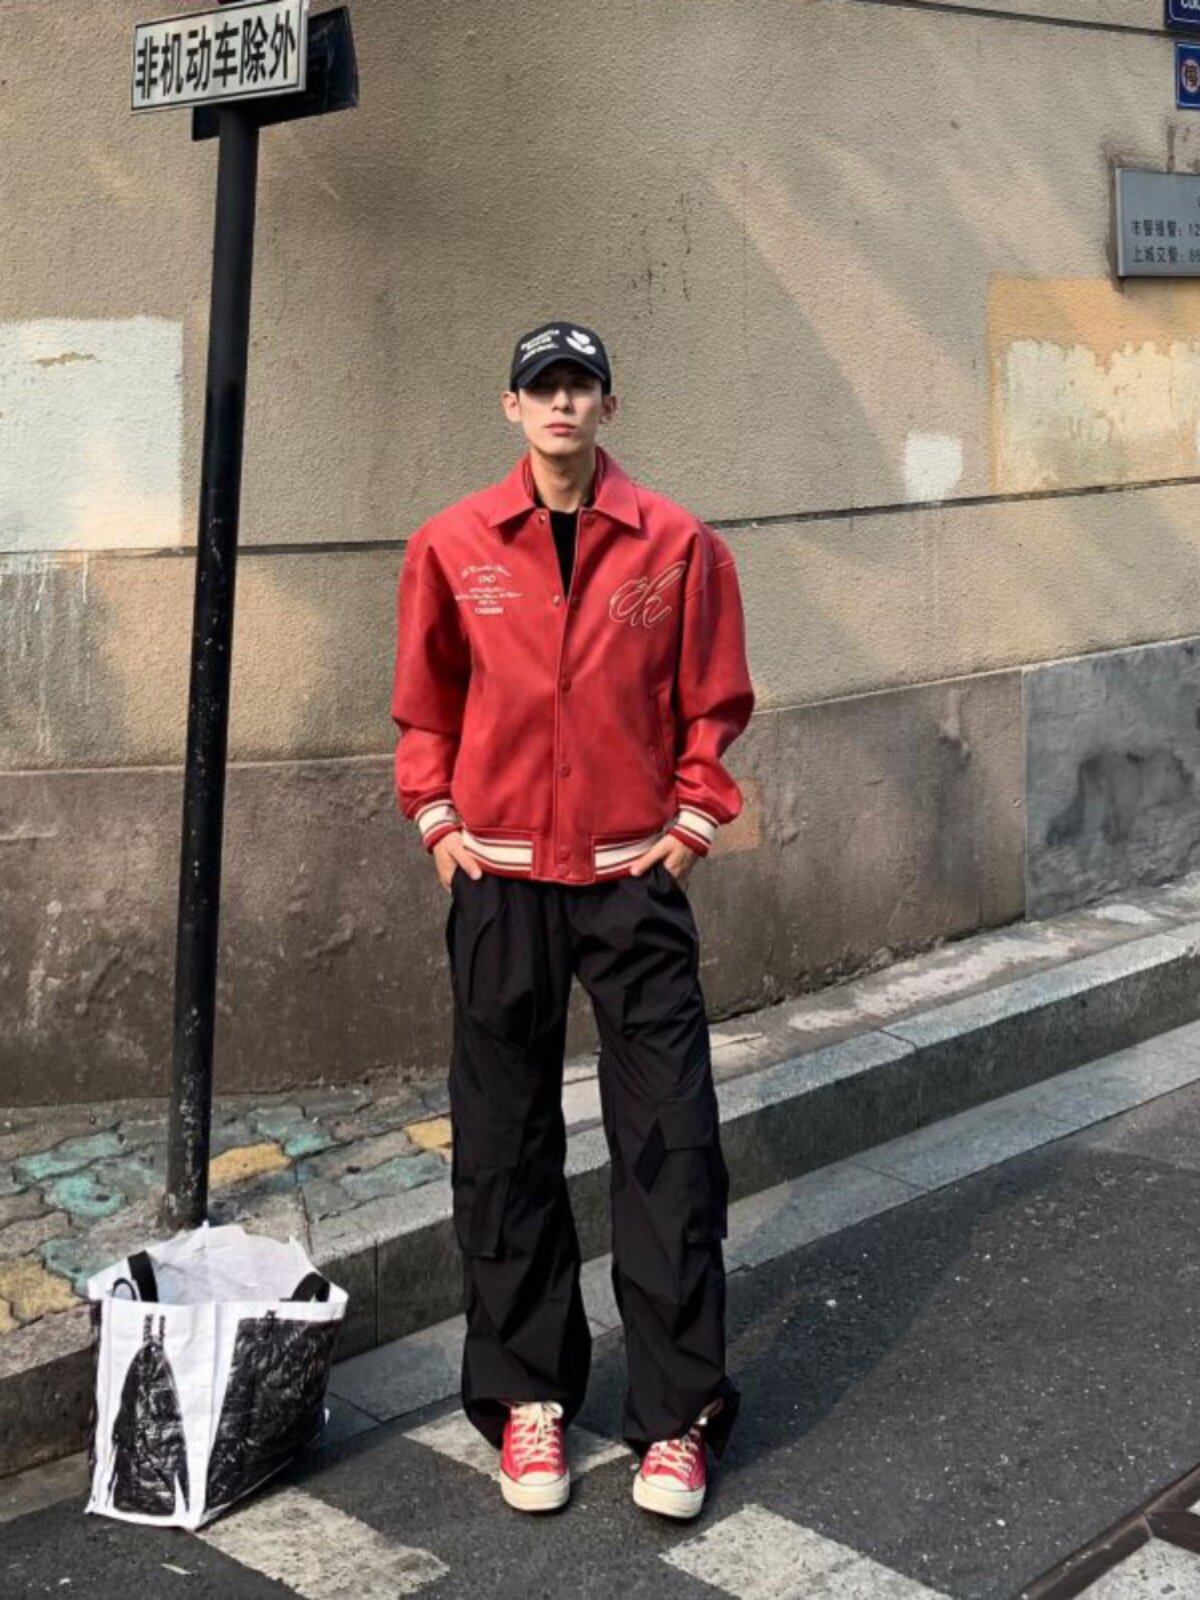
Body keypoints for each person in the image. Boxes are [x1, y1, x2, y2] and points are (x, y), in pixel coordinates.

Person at [391, 320, 755, 1520]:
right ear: (511, 407)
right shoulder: (451, 545)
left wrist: (692, 822)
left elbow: (714, 699)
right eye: (541, 386)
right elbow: (426, 701)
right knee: (503, 1146)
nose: (561, 403)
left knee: (672, 1142)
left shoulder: (678, 545)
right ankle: (528, 1396)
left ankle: (678, 1415)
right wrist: (438, 822)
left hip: (629, 883)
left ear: (607, 405)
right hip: (499, 881)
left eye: (579, 385)